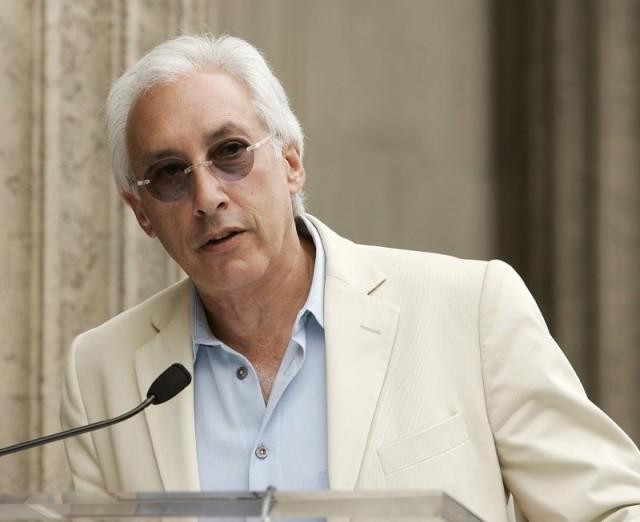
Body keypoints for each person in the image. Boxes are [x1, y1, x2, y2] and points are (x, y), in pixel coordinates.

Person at [60, 34, 640, 521]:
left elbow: (609, 510)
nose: (208, 196)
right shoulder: (103, 373)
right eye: (168, 174)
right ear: (141, 213)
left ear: (290, 162)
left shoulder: (469, 309)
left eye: (231, 151)